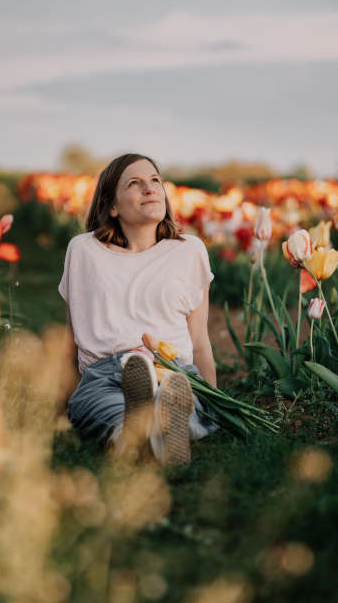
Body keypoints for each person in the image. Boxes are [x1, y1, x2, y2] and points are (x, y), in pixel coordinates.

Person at [57, 153, 218, 465]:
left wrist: (215, 400)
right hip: (104, 373)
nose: (149, 188)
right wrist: (58, 408)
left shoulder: (189, 251)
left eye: (155, 180)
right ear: (112, 206)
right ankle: (142, 432)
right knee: (107, 407)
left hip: (174, 373)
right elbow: (71, 338)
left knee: (182, 398)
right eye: (134, 183)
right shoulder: (84, 251)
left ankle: (146, 433)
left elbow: (199, 340)